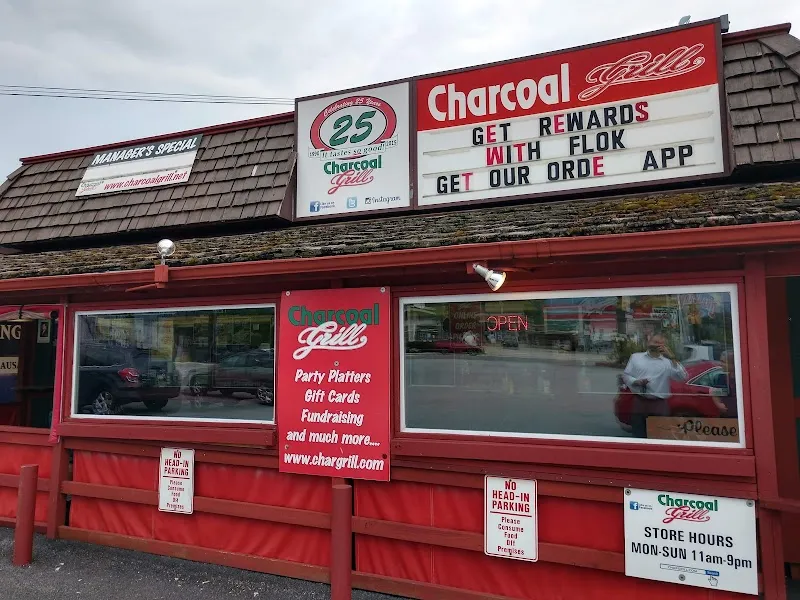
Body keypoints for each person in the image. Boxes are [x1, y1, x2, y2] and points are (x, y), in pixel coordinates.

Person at [622, 334, 688, 438]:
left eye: (660, 343)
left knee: (659, 436)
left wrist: (672, 357)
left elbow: (683, 377)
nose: (657, 345)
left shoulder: (668, 362)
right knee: (638, 434)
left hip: (659, 404)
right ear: (649, 343)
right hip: (639, 401)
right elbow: (626, 375)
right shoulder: (636, 357)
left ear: (664, 346)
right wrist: (635, 381)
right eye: (655, 342)